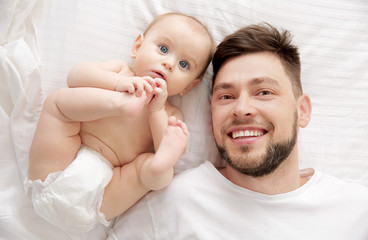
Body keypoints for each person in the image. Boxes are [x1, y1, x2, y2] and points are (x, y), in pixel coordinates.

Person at [108, 23, 368, 240]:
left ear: (302, 111)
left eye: (264, 92)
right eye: (226, 96)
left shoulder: (357, 212)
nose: (242, 109)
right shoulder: (170, 204)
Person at [28, 12, 214, 237]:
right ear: (137, 46)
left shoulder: (170, 113)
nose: (169, 63)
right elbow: (75, 77)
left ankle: (158, 167)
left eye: (184, 64)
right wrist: (119, 85)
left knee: (155, 170)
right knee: (58, 103)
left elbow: (163, 142)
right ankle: (117, 104)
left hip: (106, 191)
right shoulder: (120, 71)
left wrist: (156, 110)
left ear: (189, 87)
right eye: (163, 49)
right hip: (60, 163)